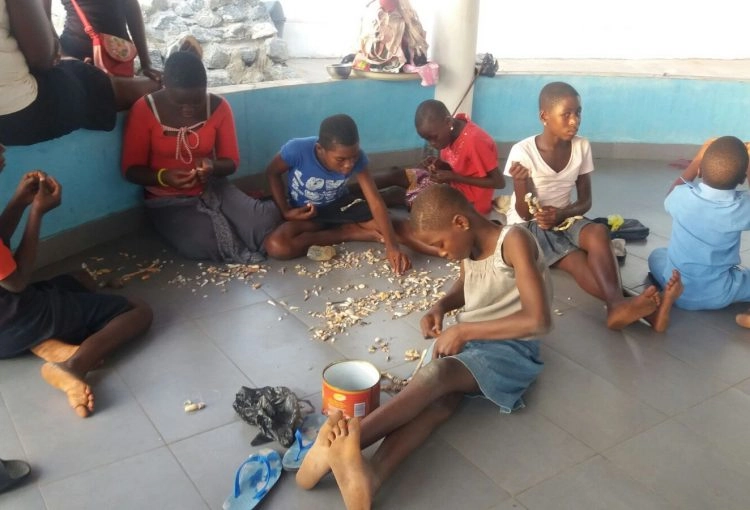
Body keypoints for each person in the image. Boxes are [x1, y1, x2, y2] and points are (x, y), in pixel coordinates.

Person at [295, 184, 552, 509]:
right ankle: (372, 476)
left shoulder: (513, 240)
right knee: (441, 404)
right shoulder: (467, 246)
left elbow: (539, 320)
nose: (442, 253)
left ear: (461, 222)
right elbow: (467, 283)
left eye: (440, 244)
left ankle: (346, 443)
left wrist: (465, 330)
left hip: (512, 348)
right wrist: (441, 307)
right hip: (473, 340)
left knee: (437, 375)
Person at [503, 81, 681, 332]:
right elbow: (523, 212)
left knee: (598, 232)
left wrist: (562, 213)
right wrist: (521, 183)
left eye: (578, 113)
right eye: (566, 115)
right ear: (544, 116)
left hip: (566, 216)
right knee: (574, 258)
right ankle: (630, 308)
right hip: (531, 224)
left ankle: (618, 307)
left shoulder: (581, 146)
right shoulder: (522, 151)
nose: (574, 121)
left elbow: (585, 201)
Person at [0, 143, 152, 418]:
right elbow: (17, 281)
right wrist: (37, 213)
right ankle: (72, 366)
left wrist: (18, 203)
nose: (2, 146)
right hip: (11, 317)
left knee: (79, 279)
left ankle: (44, 342)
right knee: (137, 311)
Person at [122, 51, 282, 263]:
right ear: (164, 86)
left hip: (214, 187)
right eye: (179, 103)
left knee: (264, 222)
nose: (187, 110)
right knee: (202, 243)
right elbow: (131, 169)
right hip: (167, 198)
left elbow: (231, 162)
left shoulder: (219, 107)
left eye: (196, 102)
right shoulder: (145, 109)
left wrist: (212, 167)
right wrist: (164, 177)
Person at [264, 113, 431, 274]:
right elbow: (272, 173)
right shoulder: (297, 150)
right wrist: (286, 210)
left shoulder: (357, 158)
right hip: (308, 213)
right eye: (341, 160)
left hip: (342, 205)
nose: (349, 165)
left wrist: (392, 247)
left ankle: (441, 247)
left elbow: (374, 201)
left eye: (354, 157)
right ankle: (348, 232)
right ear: (320, 149)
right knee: (277, 245)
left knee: (388, 227)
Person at [0, 0, 159, 146]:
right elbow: (44, 32)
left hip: (114, 52)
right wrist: (65, 58)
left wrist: (146, 62)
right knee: (130, 89)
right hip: (76, 51)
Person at [649, 136, 750, 326]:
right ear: (743, 178)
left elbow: (671, 193)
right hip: (720, 292)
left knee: (657, 255)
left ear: (701, 171)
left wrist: (697, 159)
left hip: (676, 288)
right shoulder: (741, 208)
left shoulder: (681, 196)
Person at [360, 99, 505, 214]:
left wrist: (453, 177)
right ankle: (349, 191)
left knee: (397, 194)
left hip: (469, 202)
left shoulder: (474, 140)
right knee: (395, 173)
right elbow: (459, 166)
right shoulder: (449, 131)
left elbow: (499, 182)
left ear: (448, 122)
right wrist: (440, 165)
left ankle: (353, 206)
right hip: (451, 184)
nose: (432, 143)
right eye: (427, 139)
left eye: (433, 137)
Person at [57, 0, 162, 83]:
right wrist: (64, 59)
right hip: (77, 56)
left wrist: (146, 64)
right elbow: (45, 21)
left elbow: (130, 5)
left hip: (117, 56)